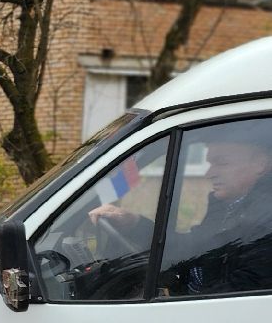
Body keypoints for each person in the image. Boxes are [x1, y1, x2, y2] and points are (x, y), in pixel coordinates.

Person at [90, 125, 272, 295]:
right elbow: (191, 247)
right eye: (209, 163)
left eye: (222, 163)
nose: (209, 173)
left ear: (260, 164)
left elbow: (244, 287)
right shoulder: (227, 206)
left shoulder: (265, 217)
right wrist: (133, 222)